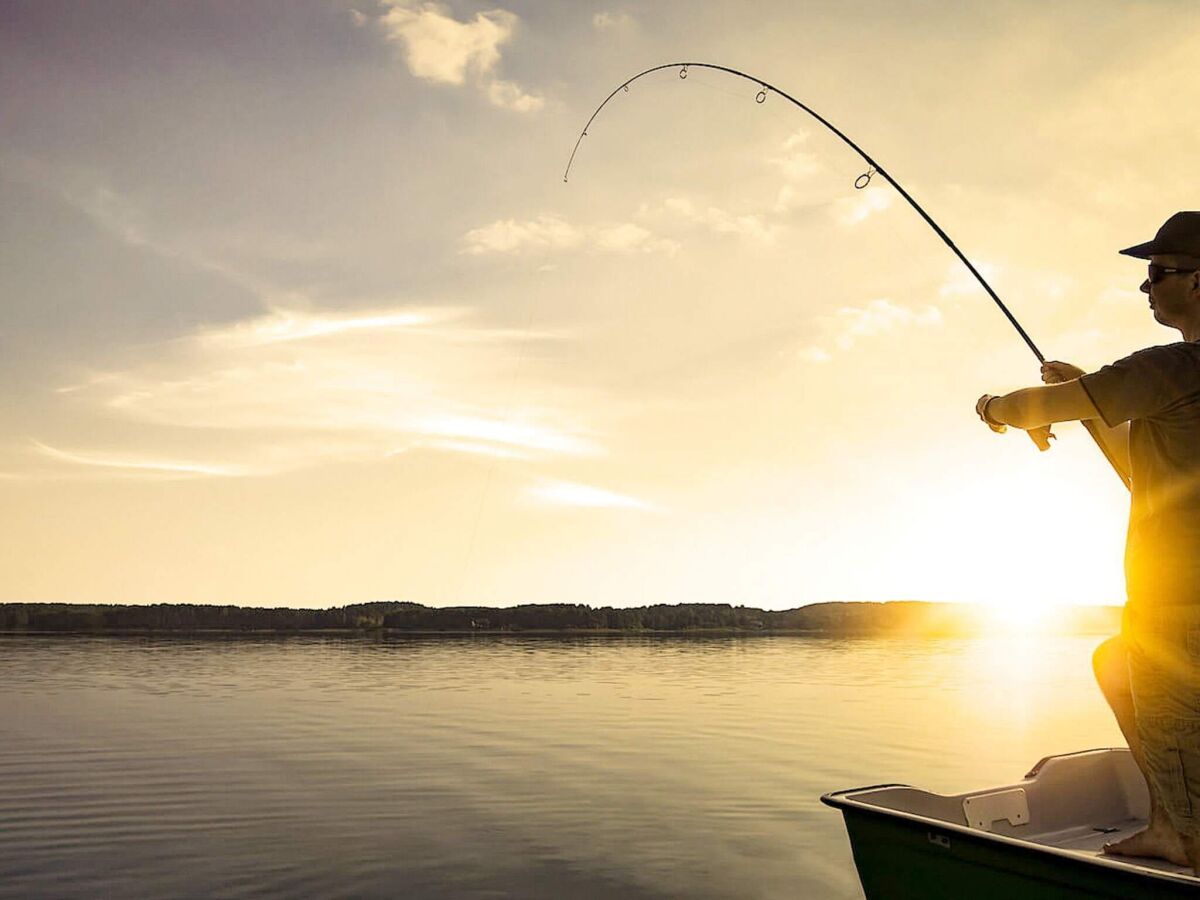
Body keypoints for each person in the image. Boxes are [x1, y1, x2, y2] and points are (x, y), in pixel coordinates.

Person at [975, 210, 1200, 874]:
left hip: (1178, 597)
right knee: (1115, 663)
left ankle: (1183, 837)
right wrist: (1083, 391)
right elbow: (1139, 467)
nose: (1147, 287)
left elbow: (1026, 410)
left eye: (1160, 273)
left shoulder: (1176, 366)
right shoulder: (1173, 384)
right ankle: (1171, 819)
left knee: (1154, 688)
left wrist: (992, 408)